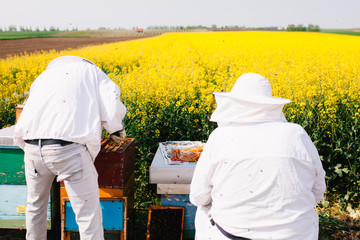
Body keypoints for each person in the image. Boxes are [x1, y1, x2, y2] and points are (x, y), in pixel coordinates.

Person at [189, 73, 326, 240]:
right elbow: (318, 190)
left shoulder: (220, 136)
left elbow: (198, 195)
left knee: (203, 210)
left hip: (234, 234)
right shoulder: (297, 133)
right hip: (297, 235)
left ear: (235, 103)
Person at [14, 55, 127, 240]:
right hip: (68, 150)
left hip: (32, 148)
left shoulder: (44, 76)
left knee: (35, 207)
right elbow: (112, 105)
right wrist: (116, 129)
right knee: (88, 216)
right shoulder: (91, 71)